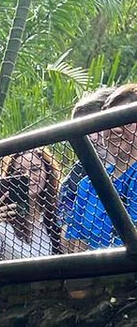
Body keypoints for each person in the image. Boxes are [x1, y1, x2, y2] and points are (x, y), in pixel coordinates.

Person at [65, 83, 137, 251]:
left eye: (126, 121)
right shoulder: (87, 185)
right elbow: (76, 244)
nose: (115, 129)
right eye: (108, 122)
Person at [0, 148, 61, 262]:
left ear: (47, 172)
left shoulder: (57, 211)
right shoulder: (0, 215)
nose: (28, 176)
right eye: (19, 173)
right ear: (10, 178)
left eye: (35, 169)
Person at [58, 87, 115, 227]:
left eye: (97, 127)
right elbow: (66, 229)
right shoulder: (75, 178)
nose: (93, 138)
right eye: (85, 131)